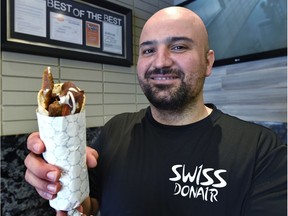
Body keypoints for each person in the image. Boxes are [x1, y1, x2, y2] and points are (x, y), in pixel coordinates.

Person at [24, 6, 287, 216]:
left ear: (208, 62)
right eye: (149, 50)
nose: (160, 62)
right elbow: (90, 205)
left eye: (179, 47)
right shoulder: (116, 130)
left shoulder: (261, 149)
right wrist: (56, 181)